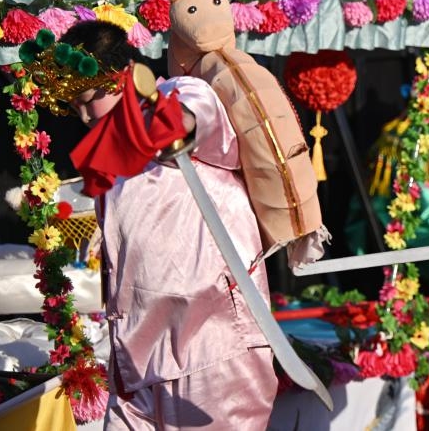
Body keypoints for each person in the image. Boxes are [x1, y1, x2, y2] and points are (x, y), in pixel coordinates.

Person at [28, 21, 277, 429]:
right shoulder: (109, 148)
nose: (84, 115)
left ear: (119, 78)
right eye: (74, 106)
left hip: (213, 344)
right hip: (137, 354)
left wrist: (163, 114)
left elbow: (191, 116)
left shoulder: (178, 93)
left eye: (88, 99)